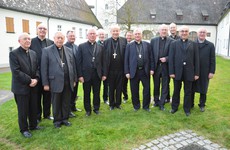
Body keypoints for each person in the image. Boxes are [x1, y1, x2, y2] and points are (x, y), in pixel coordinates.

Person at [9, 33, 42, 138]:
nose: (28, 40)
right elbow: (16, 72)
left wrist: (36, 79)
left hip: (33, 86)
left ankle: (33, 125)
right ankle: (24, 129)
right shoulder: (14, 54)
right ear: (19, 41)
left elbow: (37, 68)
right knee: (23, 110)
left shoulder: (33, 53)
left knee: (33, 107)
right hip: (21, 88)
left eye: (29, 39)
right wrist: (30, 81)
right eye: (25, 39)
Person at [41, 32, 76, 128]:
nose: (60, 40)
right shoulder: (47, 50)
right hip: (54, 81)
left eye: (61, 38)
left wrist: (74, 80)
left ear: (64, 39)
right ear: (54, 38)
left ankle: (65, 119)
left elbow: (73, 66)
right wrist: (45, 83)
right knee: (56, 102)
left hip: (68, 81)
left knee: (66, 101)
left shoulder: (69, 50)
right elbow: (44, 68)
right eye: (58, 38)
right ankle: (57, 121)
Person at [168, 25, 199, 116]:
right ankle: (174, 107)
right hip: (177, 72)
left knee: (188, 92)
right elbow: (171, 58)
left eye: (186, 31)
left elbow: (196, 60)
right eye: (182, 31)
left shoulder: (193, 44)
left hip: (189, 72)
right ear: (179, 32)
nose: (184, 33)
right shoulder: (174, 44)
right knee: (176, 91)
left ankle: (187, 109)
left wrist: (196, 73)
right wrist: (171, 72)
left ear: (188, 33)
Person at [76, 28, 104, 116]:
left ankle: (96, 108)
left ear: (96, 36)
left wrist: (103, 74)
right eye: (90, 34)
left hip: (97, 74)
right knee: (86, 93)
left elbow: (103, 62)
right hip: (86, 74)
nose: (92, 35)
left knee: (97, 92)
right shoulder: (81, 46)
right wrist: (80, 75)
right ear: (87, 35)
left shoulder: (101, 47)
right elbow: (78, 62)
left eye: (94, 34)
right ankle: (88, 110)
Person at [124, 28, 154, 111]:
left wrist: (152, 68)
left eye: (139, 34)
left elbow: (151, 58)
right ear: (134, 35)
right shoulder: (129, 46)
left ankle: (146, 106)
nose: (137, 35)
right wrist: (127, 72)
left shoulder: (147, 45)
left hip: (145, 71)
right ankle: (136, 106)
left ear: (142, 35)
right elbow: (126, 60)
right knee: (134, 90)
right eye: (136, 34)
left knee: (147, 89)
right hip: (134, 71)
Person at [30, 23, 54, 122]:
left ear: (46, 31)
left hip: (48, 74)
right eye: (40, 28)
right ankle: (37, 116)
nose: (42, 30)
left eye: (44, 29)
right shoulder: (31, 42)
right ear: (37, 30)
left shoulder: (51, 42)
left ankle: (47, 114)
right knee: (36, 96)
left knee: (47, 95)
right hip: (36, 74)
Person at [191, 27, 216, 112]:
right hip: (194, 70)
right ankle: (191, 104)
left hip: (205, 71)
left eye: (203, 32)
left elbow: (213, 59)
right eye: (200, 32)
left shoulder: (210, 45)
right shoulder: (192, 44)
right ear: (197, 34)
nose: (202, 34)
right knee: (192, 88)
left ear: (206, 34)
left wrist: (212, 71)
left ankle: (202, 104)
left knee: (203, 89)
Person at [103, 24, 127, 110]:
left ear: (119, 32)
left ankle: (118, 103)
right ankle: (111, 104)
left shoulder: (124, 41)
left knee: (119, 87)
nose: (115, 32)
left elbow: (126, 55)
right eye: (114, 31)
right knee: (111, 87)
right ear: (111, 32)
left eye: (117, 31)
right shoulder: (106, 42)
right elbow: (104, 58)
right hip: (110, 70)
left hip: (120, 69)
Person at [150, 24, 173, 110]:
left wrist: (166, 59)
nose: (164, 31)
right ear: (159, 31)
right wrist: (151, 68)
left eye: (165, 30)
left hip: (166, 67)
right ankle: (156, 101)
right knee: (156, 85)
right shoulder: (153, 40)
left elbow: (173, 55)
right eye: (162, 30)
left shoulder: (171, 41)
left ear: (167, 31)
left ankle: (162, 103)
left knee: (165, 86)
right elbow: (151, 55)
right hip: (156, 67)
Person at [64, 30, 82, 118]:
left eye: (73, 36)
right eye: (70, 36)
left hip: (76, 74)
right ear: (67, 37)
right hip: (69, 75)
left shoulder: (76, 47)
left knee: (75, 93)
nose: (72, 37)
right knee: (69, 94)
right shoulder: (64, 47)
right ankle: (68, 110)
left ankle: (73, 107)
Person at [97, 28, 109, 105]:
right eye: (100, 34)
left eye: (103, 34)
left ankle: (105, 98)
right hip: (98, 67)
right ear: (98, 35)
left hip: (106, 67)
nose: (102, 36)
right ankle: (97, 100)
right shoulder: (96, 44)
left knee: (106, 85)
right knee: (97, 86)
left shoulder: (107, 43)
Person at [123, 31, 133, 103]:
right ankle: (125, 96)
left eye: (130, 36)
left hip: (132, 66)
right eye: (127, 36)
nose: (129, 37)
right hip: (125, 66)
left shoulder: (133, 44)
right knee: (124, 83)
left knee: (133, 83)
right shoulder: (123, 43)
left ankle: (134, 97)